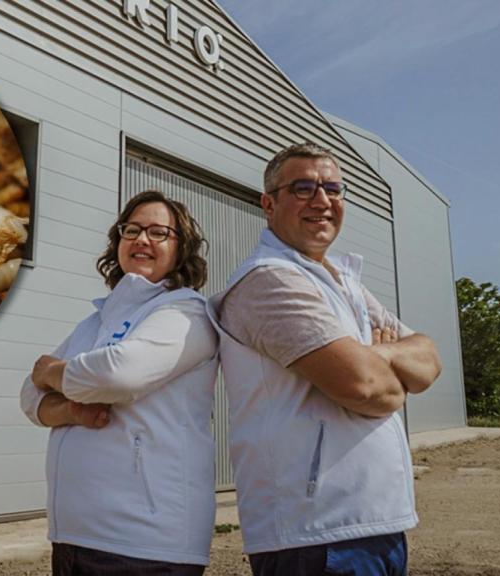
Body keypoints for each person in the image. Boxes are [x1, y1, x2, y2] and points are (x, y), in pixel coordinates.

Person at [207, 142, 442, 576]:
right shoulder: (269, 281)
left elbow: (428, 359)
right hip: (316, 535)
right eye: (303, 188)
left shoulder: (342, 280)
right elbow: (366, 387)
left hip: (377, 523)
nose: (322, 201)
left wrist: (375, 353)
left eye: (333, 189)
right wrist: (382, 368)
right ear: (268, 204)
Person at [21, 190, 219, 575]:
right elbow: (28, 396)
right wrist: (72, 411)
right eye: (132, 230)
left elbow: (117, 375)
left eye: (159, 232)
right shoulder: (95, 322)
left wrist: (50, 373)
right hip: (75, 537)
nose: (142, 239)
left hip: (144, 543)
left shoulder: (186, 312)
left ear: (181, 249)